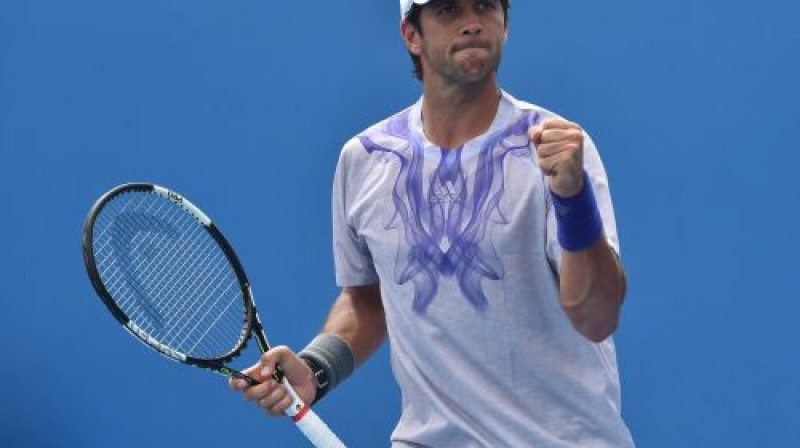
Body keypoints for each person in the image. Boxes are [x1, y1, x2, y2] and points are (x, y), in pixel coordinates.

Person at [231, 0, 635, 446]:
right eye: (447, 10)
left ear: (505, 23)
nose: (472, 24)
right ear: (412, 35)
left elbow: (597, 318)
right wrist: (317, 368)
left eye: (485, 6)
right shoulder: (364, 159)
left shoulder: (557, 149)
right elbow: (368, 299)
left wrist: (572, 198)